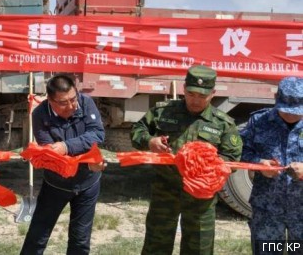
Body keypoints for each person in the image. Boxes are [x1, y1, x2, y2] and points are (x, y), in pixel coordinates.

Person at [130, 65, 242, 255]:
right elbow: (136, 131)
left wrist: (209, 165)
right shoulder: (163, 112)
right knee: (155, 247)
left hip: (201, 197)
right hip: (165, 191)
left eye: (202, 96)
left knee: (198, 249)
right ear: (183, 89)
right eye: (191, 94)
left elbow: (232, 159)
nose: (195, 100)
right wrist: (150, 141)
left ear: (213, 93)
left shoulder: (222, 123)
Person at [20, 74, 105, 255]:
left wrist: (66, 146)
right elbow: (51, 157)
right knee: (37, 236)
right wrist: (84, 159)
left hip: (87, 184)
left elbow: (97, 134)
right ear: (50, 101)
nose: (72, 106)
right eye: (63, 103)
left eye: (73, 99)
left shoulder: (86, 102)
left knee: (80, 240)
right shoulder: (40, 115)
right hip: (56, 184)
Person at [240, 76, 303, 253]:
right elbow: (239, 153)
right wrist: (259, 164)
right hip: (267, 210)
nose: (291, 115)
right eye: (286, 110)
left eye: (296, 111)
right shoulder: (259, 122)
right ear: (276, 99)